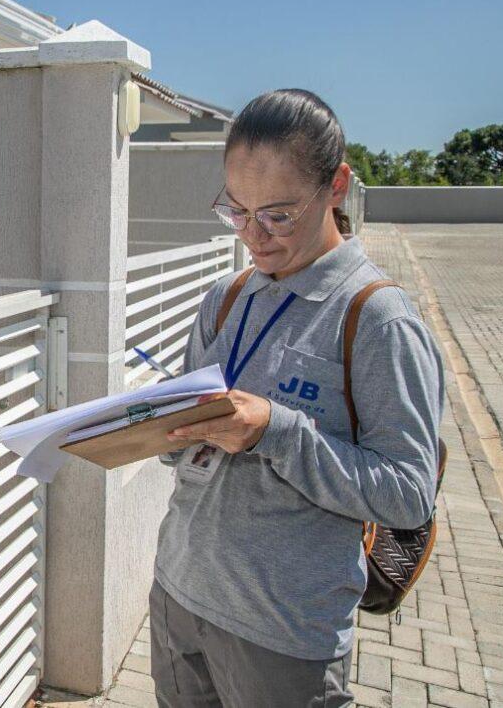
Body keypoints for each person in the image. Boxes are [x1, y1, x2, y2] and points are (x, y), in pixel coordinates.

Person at [149, 89, 443, 707]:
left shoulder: (377, 319)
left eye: (278, 215)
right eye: (237, 211)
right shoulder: (225, 298)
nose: (254, 236)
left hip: (283, 637)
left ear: (335, 185)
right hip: (179, 598)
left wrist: (275, 432)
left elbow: (408, 493)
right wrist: (159, 426)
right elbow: (180, 451)